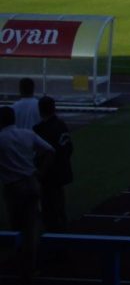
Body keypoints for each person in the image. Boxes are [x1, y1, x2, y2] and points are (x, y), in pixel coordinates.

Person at [0, 105, 54, 279]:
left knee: (15, 225)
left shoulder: (1, 138)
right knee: (31, 227)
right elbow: (50, 151)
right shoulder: (27, 134)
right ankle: (30, 266)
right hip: (31, 182)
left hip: (12, 186)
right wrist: (40, 172)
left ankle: (18, 264)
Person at [33, 96, 73, 232]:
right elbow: (69, 148)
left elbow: (42, 153)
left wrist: (41, 172)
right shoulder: (61, 124)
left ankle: (53, 236)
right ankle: (63, 231)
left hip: (49, 174)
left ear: (40, 110)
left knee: (49, 207)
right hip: (62, 170)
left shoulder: (41, 129)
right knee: (60, 204)